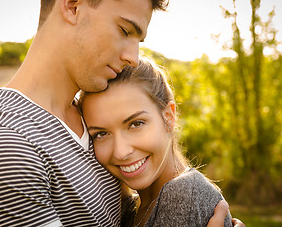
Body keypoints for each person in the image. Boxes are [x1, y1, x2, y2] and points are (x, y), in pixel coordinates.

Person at [0, 0, 243, 226]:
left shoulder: (89, 121)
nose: (133, 56)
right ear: (73, 5)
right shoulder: (3, 146)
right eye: (125, 30)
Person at [79, 58, 244, 227]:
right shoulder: (130, 210)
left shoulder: (183, 192)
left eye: (136, 124)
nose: (121, 151)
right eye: (101, 134)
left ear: (168, 117)